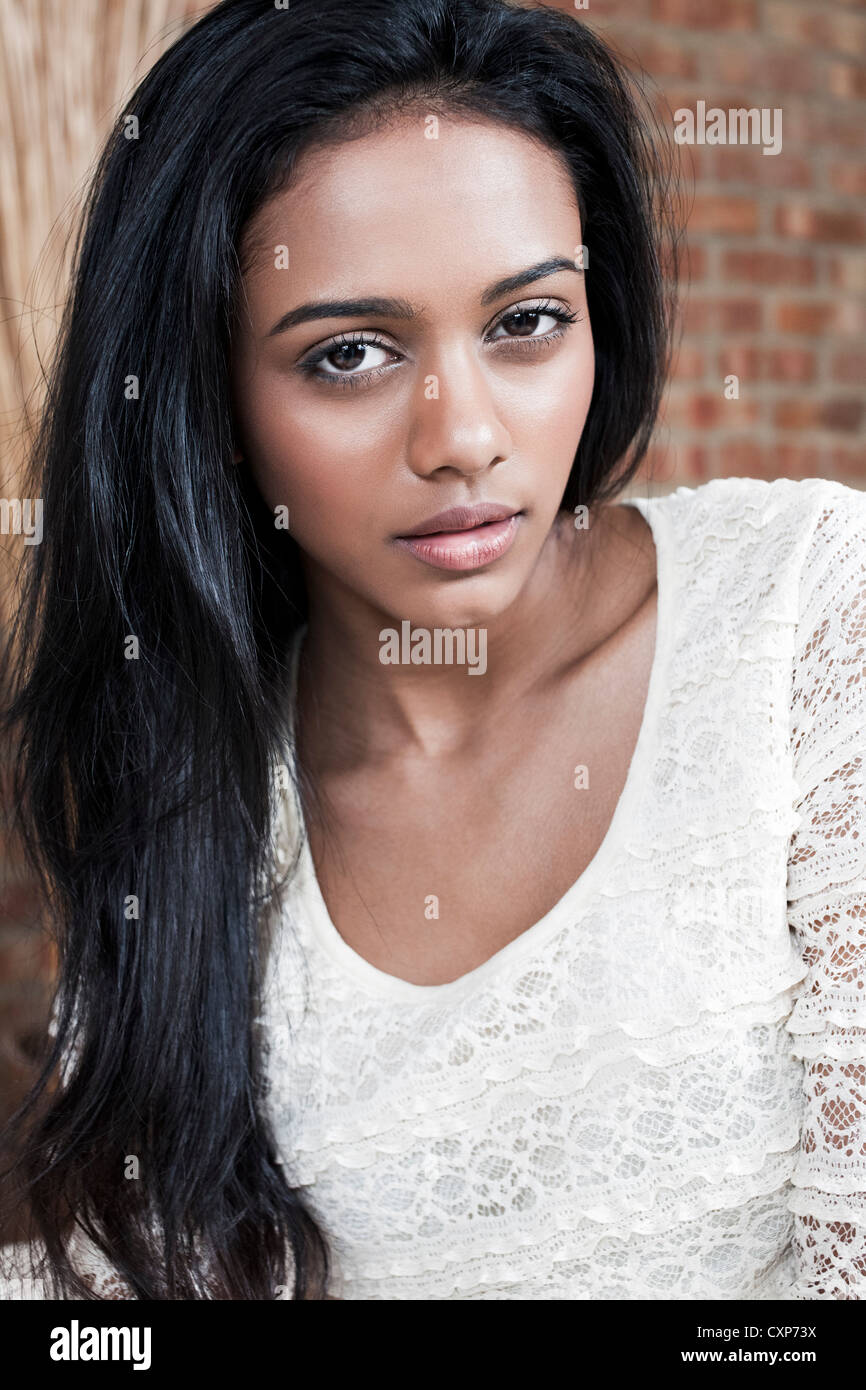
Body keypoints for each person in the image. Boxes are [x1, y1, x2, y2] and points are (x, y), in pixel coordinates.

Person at [0, 0, 864, 1301]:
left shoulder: (809, 624)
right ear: (214, 399)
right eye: (349, 354)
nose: (461, 435)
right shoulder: (195, 799)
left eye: (524, 323)